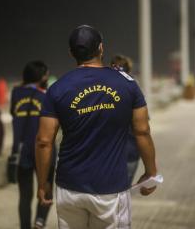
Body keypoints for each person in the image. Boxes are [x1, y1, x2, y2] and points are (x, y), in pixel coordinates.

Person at [35, 25, 158, 229]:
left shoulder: (57, 89)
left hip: (69, 187)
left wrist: (42, 183)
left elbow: (43, 141)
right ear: (101, 48)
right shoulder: (127, 84)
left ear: (71, 53)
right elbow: (142, 130)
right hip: (110, 189)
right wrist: (150, 173)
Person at [10, 61, 55, 229]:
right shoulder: (47, 95)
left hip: (21, 150)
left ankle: (25, 227)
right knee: (47, 188)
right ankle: (40, 221)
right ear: (42, 77)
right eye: (46, 75)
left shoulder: (15, 93)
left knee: (25, 195)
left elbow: (14, 114)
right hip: (44, 149)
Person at [110, 54, 139, 184]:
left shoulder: (99, 89)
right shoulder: (134, 89)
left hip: (106, 154)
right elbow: (142, 128)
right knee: (123, 194)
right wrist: (151, 166)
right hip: (130, 151)